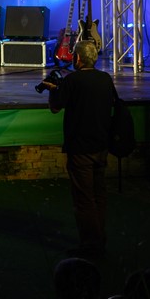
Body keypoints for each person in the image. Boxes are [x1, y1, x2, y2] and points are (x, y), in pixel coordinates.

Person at [43, 39, 117, 258]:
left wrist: (53, 90)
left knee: (84, 199)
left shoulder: (73, 80)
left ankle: (91, 245)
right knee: (98, 195)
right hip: (101, 146)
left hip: (80, 148)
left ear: (77, 58)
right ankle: (99, 239)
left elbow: (55, 107)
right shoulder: (105, 79)